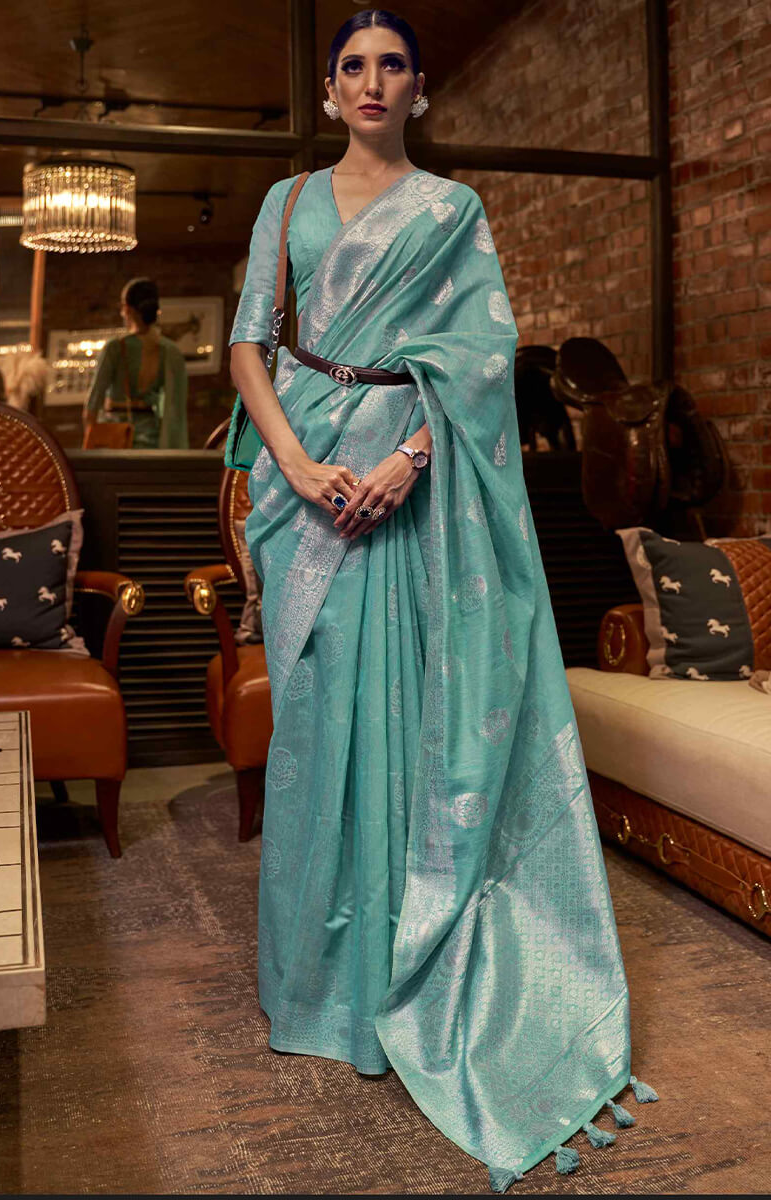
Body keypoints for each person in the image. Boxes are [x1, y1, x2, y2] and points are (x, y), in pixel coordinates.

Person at [228, 9, 659, 1193]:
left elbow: (478, 360)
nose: (370, 82)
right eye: (351, 66)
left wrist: (408, 460)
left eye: (391, 66)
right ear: (329, 91)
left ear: (417, 88)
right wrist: (297, 465)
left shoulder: (450, 210)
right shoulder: (284, 204)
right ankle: (315, 992)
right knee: (315, 731)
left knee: (405, 727)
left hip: (408, 492)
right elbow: (250, 347)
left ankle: (405, 974)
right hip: (305, 478)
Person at [84, 277, 189, 449]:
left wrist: (90, 437)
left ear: (127, 309)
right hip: (151, 438)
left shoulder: (115, 347)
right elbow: (176, 410)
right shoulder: (170, 351)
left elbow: (94, 401)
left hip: (115, 436)